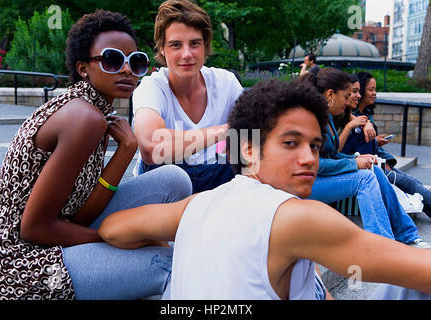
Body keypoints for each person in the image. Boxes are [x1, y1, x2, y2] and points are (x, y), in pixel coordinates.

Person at [98, 79, 431, 300]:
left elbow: (114, 229)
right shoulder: (297, 218)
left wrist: (188, 242)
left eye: (315, 146)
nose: (308, 158)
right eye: (290, 143)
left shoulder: (196, 205)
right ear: (247, 149)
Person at [0, 10, 192, 300]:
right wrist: (119, 238)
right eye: (112, 60)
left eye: (136, 61)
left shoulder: (94, 111)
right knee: (173, 266)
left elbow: (79, 214)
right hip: (22, 267)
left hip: (56, 233)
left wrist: (125, 151)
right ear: (83, 68)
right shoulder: (84, 119)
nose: (127, 70)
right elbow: (34, 229)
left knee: (173, 180)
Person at [302, 68, 428, 248]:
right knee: (365, 179)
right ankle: (381, 246)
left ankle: (408, 235)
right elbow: (314, 163)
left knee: (374, 170)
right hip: (307, 183)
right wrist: (353, 163)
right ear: (330, 94)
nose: (347, 103)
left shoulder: (327, 116)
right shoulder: (310, 120)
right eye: (346, 97)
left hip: (320, 178)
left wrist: (360, 158)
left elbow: (331, 154)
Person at [132, 0, 244, 193]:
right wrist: (226, 130)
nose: (187, 54)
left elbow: (253, 137)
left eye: (194, 44)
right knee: (170, 173)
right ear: (161, 48)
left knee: (250, 157)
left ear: (205, 45)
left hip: (218, 176)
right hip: (166, 183)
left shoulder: (226, 82)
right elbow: (152, 148)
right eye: (175, 45)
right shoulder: (152, 87)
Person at [340, 71, 431, 219]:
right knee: (411, 184)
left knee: (414, 182)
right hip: (367, 167)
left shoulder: (361, 116)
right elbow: (350, 148)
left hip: (376, 162)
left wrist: (380, 149)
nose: (375, 93)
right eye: (371, 89)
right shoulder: (348, 118)